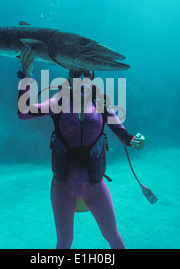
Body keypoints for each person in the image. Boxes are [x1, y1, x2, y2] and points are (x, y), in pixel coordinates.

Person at [17, 49, 145, 249]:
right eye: (77, 73)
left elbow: (124, 136)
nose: (82, 78)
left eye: (87, 73)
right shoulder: (59, 102)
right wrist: (27, 77)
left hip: (94, 184)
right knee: (65, 242)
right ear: (70, 77)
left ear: (93, 78)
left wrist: (136, 139)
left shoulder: (101, 105)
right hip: (63, 185)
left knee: (113, 236)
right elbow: (24, 112)